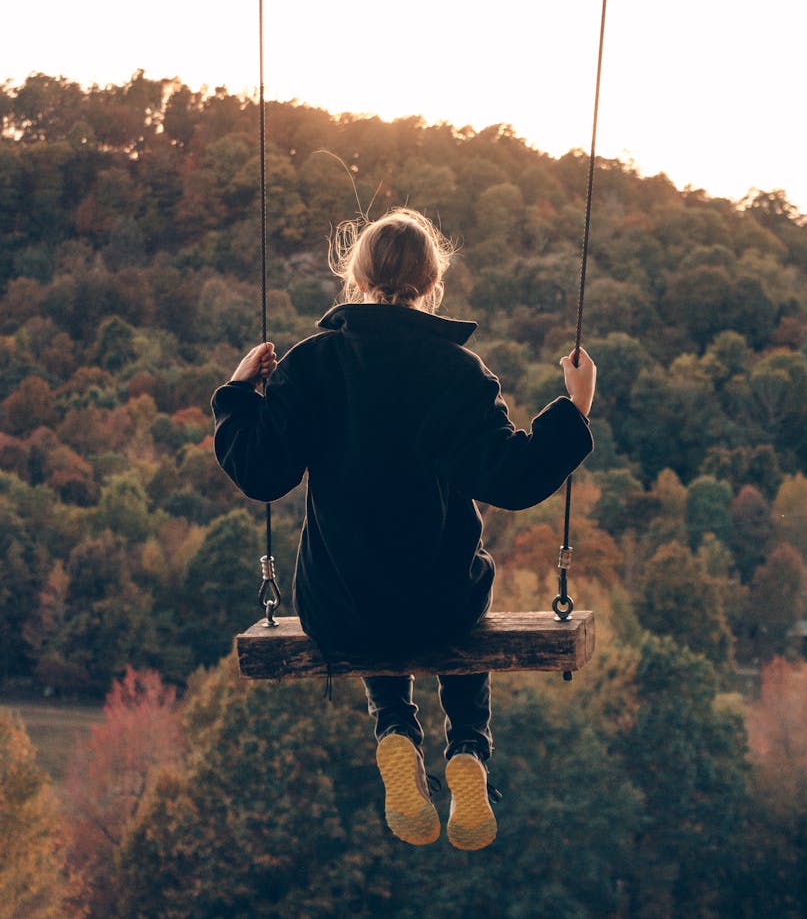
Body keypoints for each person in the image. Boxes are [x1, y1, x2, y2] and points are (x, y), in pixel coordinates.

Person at [212, 207, 596, 851]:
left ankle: (394, 726)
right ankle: (467, 747)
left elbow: (261, 473)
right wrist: (575, 406)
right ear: (432, 285)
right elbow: (513, 478)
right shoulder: (458, 372)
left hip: (340, 613)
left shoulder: (312, 365)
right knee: (463, 586)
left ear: (356, 281)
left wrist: (237, 393)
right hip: (442, 610)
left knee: (365, 582)